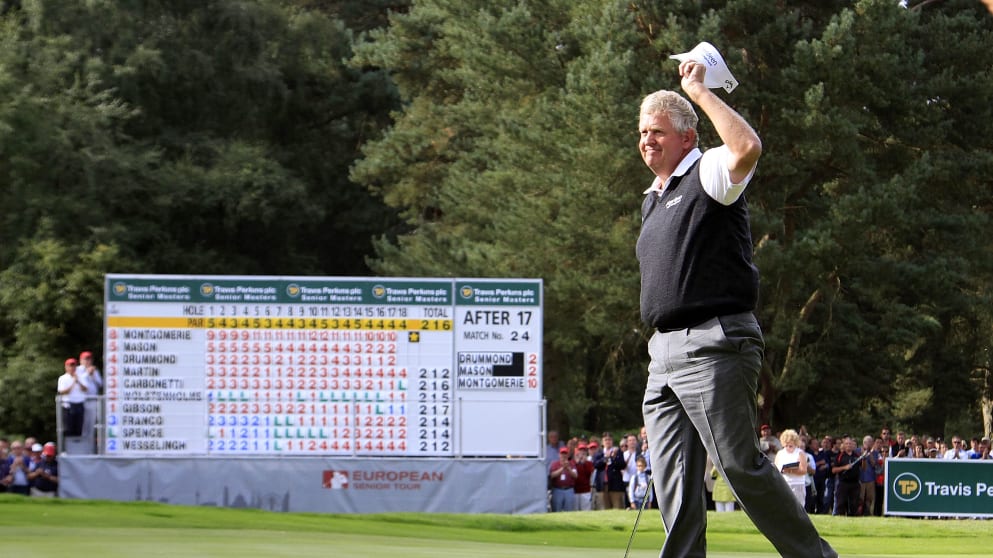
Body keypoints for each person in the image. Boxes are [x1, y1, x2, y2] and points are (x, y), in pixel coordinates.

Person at [636, 56, 836, 557]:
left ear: (687, 136)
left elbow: (747, 147)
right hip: (662, 355)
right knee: (675, 485)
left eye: (658, 131)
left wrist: (701, 92)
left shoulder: (706, 170)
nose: (646, 141)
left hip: (713, 342)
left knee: (739, 467)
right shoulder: (653, 197)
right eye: (642, 132)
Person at [774, 429, 808, 506]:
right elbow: (775, 469)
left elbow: (804, 470)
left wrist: (790, 470)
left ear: (795, 443)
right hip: (784, 483)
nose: (788, 448)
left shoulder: (800, 453)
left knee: (798, 507)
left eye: (790, 446)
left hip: (797, 484)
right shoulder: (780, 453)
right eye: (786, 445)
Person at [57, 357, 89, 437]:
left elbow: (85, 389)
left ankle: (78, 446)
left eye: (74, 365)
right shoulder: (63, 378)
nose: (72, 368)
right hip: (68, 405)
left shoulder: (81, 377)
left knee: (79, 427)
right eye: (70, 366)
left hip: (79, 404)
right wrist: (73, 383)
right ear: (66, 367)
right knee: (69, 428)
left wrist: (78, 381)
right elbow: (62, 392)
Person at [831, 436, 861, 516]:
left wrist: (864, 460)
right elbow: (833, 470)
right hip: (843, 483)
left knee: (854, 504)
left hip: (854, 483)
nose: (849, 445)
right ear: (844, 445)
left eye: (850, 444)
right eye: (847, 444)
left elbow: (863, 468)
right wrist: (844, 467)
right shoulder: (840, 456)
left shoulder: (857, 455)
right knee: (841, 503)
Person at [548, 446, 577, 512]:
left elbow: (575, 476)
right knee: (557, 510)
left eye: (565, 453)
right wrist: (562, 468)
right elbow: (552, 475)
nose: (563, 455)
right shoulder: (555, 464)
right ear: (559, 454)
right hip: (557, 490)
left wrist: (568, 468)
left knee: (569, 510)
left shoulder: (571, 464)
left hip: (569, 490)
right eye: (562, 453)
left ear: (567, 455)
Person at [573, 442, 595, 511]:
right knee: (575, 510)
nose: (582, 452)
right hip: (575, 491)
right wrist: (577, 463)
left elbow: (588, 473)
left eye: (584, 451)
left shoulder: (589, 463)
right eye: (580, 450)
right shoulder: (573, 462)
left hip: (585, 491)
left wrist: (583, 463)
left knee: (586, 510)